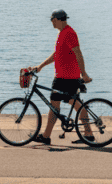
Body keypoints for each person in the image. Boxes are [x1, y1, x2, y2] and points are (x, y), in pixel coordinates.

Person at [32, 10, 92, 145]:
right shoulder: (62, 33)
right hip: (63, 76)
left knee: (56, 105)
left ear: (59, 19)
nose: (51, 22)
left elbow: (78, 53)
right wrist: (41, 66)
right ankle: (88, 134)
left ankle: (46, 136)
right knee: (71, 104)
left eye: (52, 20)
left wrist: (84, 73)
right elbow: (57, 54)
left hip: (67, 77)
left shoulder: (69, 33)